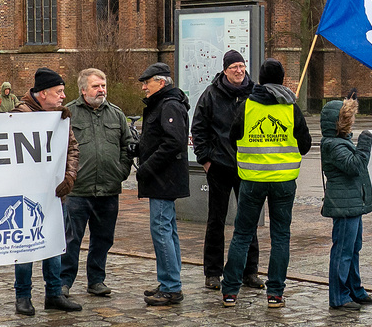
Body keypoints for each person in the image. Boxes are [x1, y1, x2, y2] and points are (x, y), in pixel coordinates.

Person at [221, 59, 312, 308]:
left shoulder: (248, 105)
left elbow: (233, 137)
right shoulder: (291, 107)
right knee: (280, 237)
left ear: (259, 79)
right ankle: (275, 294)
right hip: (283, 181)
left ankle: (230, 291)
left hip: (252, 180)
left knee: (242, 235)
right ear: (282, 79)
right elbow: (305, 145)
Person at [190, 50, 262, 291]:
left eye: (242, 66)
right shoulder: (211, 95)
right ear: (225, 70)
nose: (239, 71)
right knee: (216, 221)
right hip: (219, 165)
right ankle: (212, 272)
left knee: (248, 220)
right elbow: (199, 128)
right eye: (234, 67)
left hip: (248, 166)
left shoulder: (255, 93)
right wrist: (205, 159)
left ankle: (250, 271)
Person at [13, 67, 81, 316]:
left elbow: (72, 149)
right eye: (59, 92)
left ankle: (54, 293)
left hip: (54, 194)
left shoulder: (59, 117)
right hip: (27, 193)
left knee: (53, 242)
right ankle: (23, 295)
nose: (63, 96)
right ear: (42, 94)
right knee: (25, 246)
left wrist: (70, 176)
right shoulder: (18, 115)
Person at [60, 68, 132, 298]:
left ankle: (96, 280)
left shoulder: (117, 114)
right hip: (78, 191)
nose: (101, 90)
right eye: (96, 86)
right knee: (71, 240)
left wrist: (121, 171)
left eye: (103, 86)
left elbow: (127, 146)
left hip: (108, 189)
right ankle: (64, 282)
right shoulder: (67, 113)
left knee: (103, 239)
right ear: (83, 90)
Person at [135, 62, 190, 306]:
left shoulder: (169, 105)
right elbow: (158, 140)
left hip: (163, 179)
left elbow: (173, 142)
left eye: (147, 82)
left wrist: (148, 167)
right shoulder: (165, 103)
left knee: (161, 229)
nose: (144, 87)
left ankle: (171, 286)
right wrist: (138, 149)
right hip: (163, 178)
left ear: (161, 82)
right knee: (168, 229)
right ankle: (170, 280)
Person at [320, 97, 372, 310]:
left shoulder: (339, 142)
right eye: (348, 118)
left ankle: (355, 290)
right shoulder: (333, 145)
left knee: (353, 249)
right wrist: (365, 143)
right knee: (343, 250)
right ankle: (339, 296)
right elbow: (355, 166)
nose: (352, 121)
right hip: (344, 205)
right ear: (339, 122)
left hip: (351, 203)